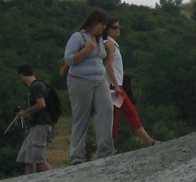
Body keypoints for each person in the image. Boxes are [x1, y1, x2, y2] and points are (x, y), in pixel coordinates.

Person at [63, 9, 115, 165]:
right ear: (93, 23)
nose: (103, 27)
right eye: (101, 24)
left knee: (106, 110)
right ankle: (76, 156)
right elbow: (69, 59)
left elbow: (104, 61)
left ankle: (106, 150)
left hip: (99, 80)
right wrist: (86, 50)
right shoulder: (78, 37)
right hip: (80, 80)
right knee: (81, 117)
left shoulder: (99, 40)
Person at [103, 18, 157, 146]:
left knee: (114, 117)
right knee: (130, 112)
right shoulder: (109, 44)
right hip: (114, 86)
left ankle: (108, 146)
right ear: (108, 30)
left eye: (118, 27)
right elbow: (109, 65)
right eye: (114, 27)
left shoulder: (111, 44)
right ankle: (149, 141)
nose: (118, 30)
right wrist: (116, 84)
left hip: (113, 85)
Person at [14, 64, 53, 174]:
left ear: (22, 75)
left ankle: (56, 179)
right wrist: (24, 115)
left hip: (40, 125)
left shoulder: (35, 86)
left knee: (38, 159)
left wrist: (25, 112)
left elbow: (41, 104)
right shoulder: (40, 85)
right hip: (35, 126)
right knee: (27, 158)